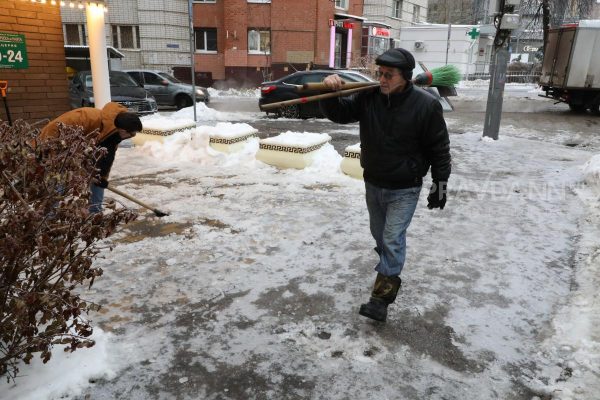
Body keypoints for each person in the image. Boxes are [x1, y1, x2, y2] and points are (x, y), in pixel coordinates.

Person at [319, 48, 451, 322]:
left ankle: (381, 298)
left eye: (388, 75)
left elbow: (439, 148)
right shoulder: (370, 97)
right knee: (380, 236)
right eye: (379, 74)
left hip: (406, 187)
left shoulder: (426, 105)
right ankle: (390, 264)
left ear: (405, 77)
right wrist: (332, 92)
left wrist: (440, 184)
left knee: (391, 238)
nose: (382, 79)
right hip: (374, 183)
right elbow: (341, 115)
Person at [40, 102, 142, 213]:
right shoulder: (86, 117)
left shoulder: (114, 134)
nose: (132, 137)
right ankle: (48, 216)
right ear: (123, 130)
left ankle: (95, 212)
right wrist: (79, 170)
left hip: (76, 149)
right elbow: (54, 133)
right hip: (53, 143)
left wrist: (102, 177)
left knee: (98, 178)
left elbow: (105, 160)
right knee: (59, 178)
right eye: (132, 134)